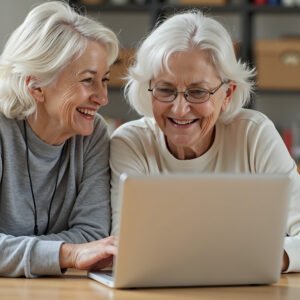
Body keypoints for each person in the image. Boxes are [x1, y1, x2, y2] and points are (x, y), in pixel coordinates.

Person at [110, 10, 300, 273]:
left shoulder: (254, 134)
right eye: (165, 89)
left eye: (197, 92)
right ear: (148, 88)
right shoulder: (131, 143)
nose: (179, 109)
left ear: (227, 94)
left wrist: (270, 258)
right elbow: (123, 247)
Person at [0, 1, 119, 277]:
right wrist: (67, 253)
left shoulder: (92, 135)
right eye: (88, 80)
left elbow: (92, 236)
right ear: (36, 86)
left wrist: (12, 253)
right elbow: (81, 250)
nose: (102, 98)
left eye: (104, 80)